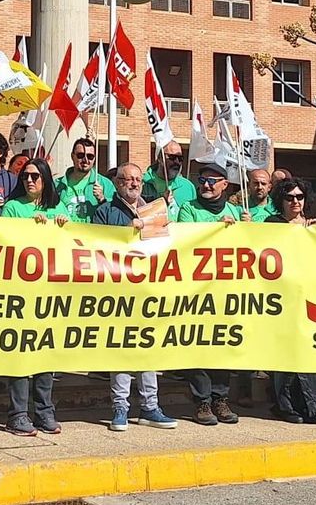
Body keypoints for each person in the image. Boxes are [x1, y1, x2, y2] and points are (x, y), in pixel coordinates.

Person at [90, 164, 177, 431]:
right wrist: (128, 230)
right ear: (117, 183)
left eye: (138, 179)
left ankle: (150, 407)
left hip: (148, 291)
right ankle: (120, 407)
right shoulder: (104, 211)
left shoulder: (153, 210)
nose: (134, 183)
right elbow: (97, 246)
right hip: (118, 293)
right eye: (127, 179)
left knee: (147, 349)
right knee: (121, 350)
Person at [0, 158, 63, 436]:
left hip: (48, 293)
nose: (29, 181)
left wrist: (63, 226)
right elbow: (3, 242)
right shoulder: (13, 207)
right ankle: (18, 414)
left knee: (45, 354)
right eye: (25, 177)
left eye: (35, 176)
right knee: (21, 355)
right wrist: (30, 229)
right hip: (21, 293)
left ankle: (45, 412)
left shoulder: (58, 208)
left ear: (46, 179)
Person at [265, 180, 316, 424]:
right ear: (280, 201)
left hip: (309, 299)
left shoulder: (313, 226)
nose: (295, 201)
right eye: (289, 197)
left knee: (309, 354)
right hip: (281, 300)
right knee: (284, 355)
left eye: (299, 196)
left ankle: (314, 407)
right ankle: (285, 405)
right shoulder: (272, 225)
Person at [176, 163, 240, 425]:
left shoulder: (235, 211)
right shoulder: (188, 208)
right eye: (202, 180)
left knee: (221, 344)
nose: (206, 185)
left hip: (224, 290)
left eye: (212, 181)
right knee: (198, 345)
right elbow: (186, 240)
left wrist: (245, 229)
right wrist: (217, 228)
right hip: (196, 290)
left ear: (225, 184)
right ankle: (202, 401)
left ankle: (220, 398)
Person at [55, 138, 113, 222]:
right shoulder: (57, 185)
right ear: (72, 156)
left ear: (94, 159)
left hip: (93, 230)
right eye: (81, 155)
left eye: (90, 156)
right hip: (65, 230)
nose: (85, 160)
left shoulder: (106, 184)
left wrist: (102, 199)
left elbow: (114, 216)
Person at [142, 141, 195, 218]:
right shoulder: (141, 184)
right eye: (172, 157)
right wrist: (161, 203)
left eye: (180, 158)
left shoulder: (188, 186)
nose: (177, 162)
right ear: (160, 159)